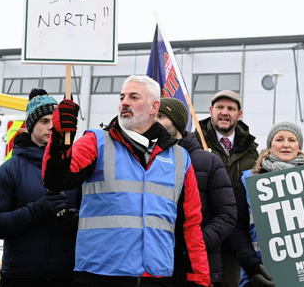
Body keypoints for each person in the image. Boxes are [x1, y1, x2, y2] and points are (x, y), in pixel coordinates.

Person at [43, 75, 211, 287]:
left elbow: (191, 225)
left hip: (156, 278)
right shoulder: (96, 142)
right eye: (122, 97)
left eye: (134, 97)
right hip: (99, 276)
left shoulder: (180, 157)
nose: (124, 102)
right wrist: (59, 138)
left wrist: (200, 279)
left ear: (154, 107)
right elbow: (56, 180)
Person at [0, 88, 79, 286]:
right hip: (21, 276)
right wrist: (35, 211)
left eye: (55, 121)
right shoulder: (9, 170)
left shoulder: (76, 167)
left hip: (67, 274)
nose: (51, 126)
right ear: (31, 125)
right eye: (44, 121)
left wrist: (77, 220)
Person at [157, 96, 237, 287]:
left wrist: (195, 242)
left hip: (197, 266)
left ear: (177, 122)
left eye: (161, 116)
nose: (154, 120)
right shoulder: (148, 158)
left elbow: (227, 215)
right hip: (156, 264)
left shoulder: (208, 162)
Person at [231, 121, 304, 287]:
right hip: (259, 275)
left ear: (299, 146)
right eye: (279, 139)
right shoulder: (249, 181)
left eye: (292, 140)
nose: (286, 145)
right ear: (270, 145)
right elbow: (238, 229)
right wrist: (253, 267)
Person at [196, 89, 259, 287]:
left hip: (235, 242)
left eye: (230, 109)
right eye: (220, 107)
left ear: (239, 115)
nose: (224, 112)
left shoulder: (252, 151)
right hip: (203, 237)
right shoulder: (194, 144)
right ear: (211, 111)